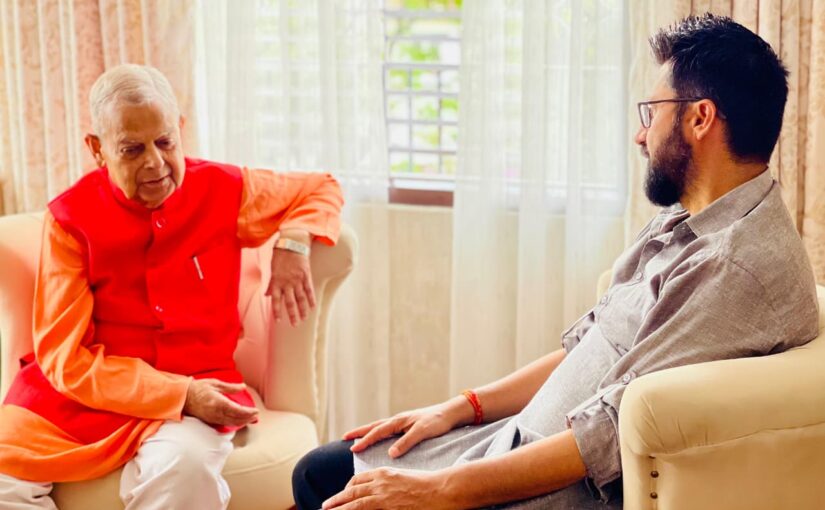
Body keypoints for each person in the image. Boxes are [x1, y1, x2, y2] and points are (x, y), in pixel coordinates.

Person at [292, 13, 818, 510]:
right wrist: (460, 408)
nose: (640, 134)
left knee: (323, 479)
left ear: (699, 118)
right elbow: (589, 343)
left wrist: (440, 490)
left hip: (556, 490)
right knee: (323, 469)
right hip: (516, 440)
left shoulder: (733, 266)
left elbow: (605, 436)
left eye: (651, 113)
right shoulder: (689, 219)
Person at [0, 64, 343, 509]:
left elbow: (320, 188)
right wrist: (178, 394)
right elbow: (66, 359)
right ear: (97, 149)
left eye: (165, 142)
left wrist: (293, 243)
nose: (155, 163)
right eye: (132, 149)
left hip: (198, 383)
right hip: (83, 398)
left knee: (185, 471)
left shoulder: (224, 189)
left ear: (180, 130)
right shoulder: (70, 221)